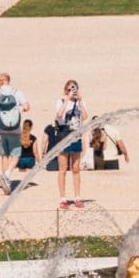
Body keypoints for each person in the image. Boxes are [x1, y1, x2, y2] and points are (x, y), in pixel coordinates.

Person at [0, 72, 28, 192]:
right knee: (16, 154)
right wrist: (17, 109)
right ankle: (7, 176)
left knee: (4, 155)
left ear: (2, 81)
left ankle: (7, 180)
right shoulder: (17, 92)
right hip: (15, 129)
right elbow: (26, 107)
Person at [53, 79, 87, 208]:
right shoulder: (61, 101)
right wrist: (67, 99)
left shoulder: (80, 102)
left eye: (74, 89)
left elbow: (84, 117)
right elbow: (59, 115)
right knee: (63, 168)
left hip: (76, 135)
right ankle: (63, 198)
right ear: (65, 90)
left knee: (76, 168)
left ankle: (78, 197)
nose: (72, 91)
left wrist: (80, 101)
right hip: (64, 136)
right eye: (69, 89)